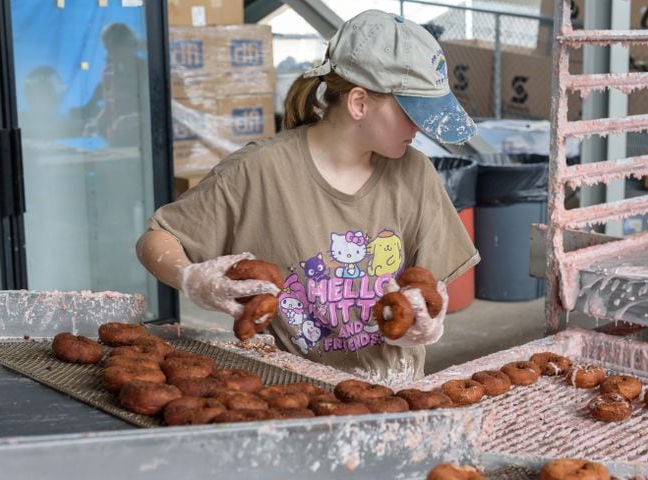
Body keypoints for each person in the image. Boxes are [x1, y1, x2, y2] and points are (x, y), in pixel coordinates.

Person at [136, 10, 480, 385]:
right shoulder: (260, 171)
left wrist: (429, 318)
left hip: (394, 393)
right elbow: (157, 238)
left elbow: (429, 287)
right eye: (413, 111)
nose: (422, 128)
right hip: (292, 393)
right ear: (359, 103)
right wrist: (191, 278)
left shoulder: (416, 174)